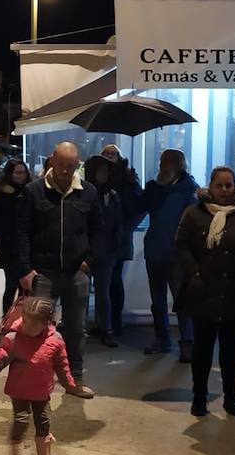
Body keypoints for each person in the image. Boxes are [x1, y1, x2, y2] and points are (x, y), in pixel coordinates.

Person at [175, 166, 235, 418]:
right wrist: (194, 272)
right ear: (210, 187)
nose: (224, 190)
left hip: (234, 292)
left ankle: (230, 396)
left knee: (230, 349)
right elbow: (181, 245)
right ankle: (199, 397)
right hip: (203, 291)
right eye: (219, 185)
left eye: (229, 185)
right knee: (202, 349)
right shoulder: (194, 214)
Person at [14, 142, 99, 399]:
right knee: (35, 327)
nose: (64, 171)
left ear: (77, 165)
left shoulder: (88, 192)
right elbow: (20, 232)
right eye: (61, 164)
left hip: (76, 272)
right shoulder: (33, 192)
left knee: (75, 328)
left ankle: (74, 379)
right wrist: (26, 269)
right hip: (43, 273)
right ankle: (35, 381)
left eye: (70, 166)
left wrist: (90, 261)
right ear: (52, 160)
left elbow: (99, 230)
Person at [0, 296, 75, 455]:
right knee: (21, 420)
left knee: (44, 422)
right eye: (25, 321)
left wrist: (69, 383)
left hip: (42, 391)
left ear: (46, 323)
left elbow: (62, 365)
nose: (26, 327)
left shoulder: (56, 340)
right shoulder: (13, 338)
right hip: (19, 390)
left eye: (33, 325)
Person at [141, 148, 198, 359]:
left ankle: (187, 342)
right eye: (161, 161)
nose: (161, 166)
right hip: (155, 250)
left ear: (178, 166)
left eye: (167, 162)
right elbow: (139, 205)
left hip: (177, 255)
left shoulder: (189, 191)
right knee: (157, 300)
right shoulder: (154, 188)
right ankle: (161, 338)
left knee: (181, 301)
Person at [100, 144, 143, 336]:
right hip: (100, 237)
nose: (110, 157)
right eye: (106, 154)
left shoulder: (128, 177)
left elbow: (140, 206)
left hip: (119, 237)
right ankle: (104, 322)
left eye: (113, 154)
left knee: (114, 280)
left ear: (119, 156)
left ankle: (114, 322)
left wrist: (127, 228)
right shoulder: (98, 176)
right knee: (102, 283)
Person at [84, 154, 126, 348]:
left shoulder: (112, 194)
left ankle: (105, 329)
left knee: (103, 294)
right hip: (85, 254)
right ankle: (79, 329)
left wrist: (115, 248)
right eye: (101, 170)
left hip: (106, 253)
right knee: (81, 294)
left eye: (107, 171)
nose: (105, 174)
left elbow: (118, 222)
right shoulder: (83, 193)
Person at [0, 160, 31, 315]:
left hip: (26, 248)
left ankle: (22, 319)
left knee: (26, 287)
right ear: (9, 174)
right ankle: (6, 319)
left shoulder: (29, 192)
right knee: (11, 286)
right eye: (17, 172)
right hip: (10, 249)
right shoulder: (2, 194)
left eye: (23, 172)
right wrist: (7, 236)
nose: (21, 176)